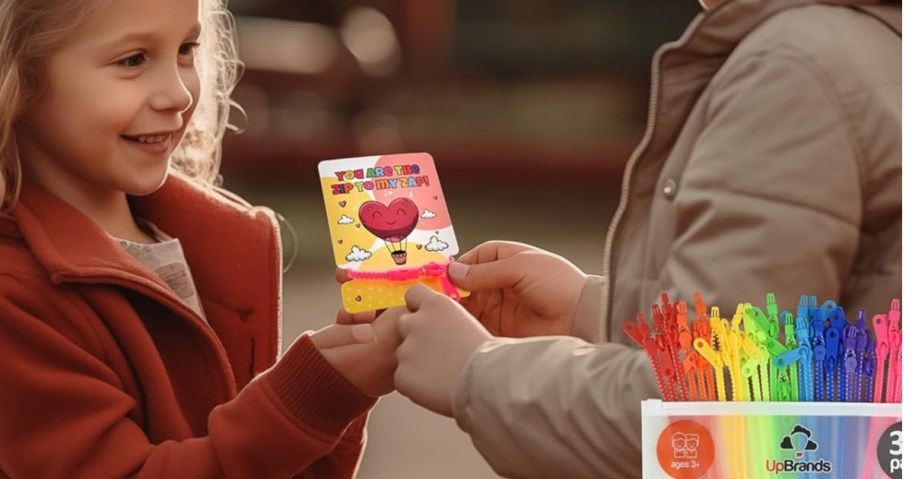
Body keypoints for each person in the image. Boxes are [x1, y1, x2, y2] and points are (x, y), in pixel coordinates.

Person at [344, 0, 901, 477]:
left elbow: (715, 426)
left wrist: (476, 371)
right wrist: (591, 309)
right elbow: (863, 427)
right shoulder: (878, 47)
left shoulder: (795, 70)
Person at [0, 0, 398, 477]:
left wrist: (338, 390)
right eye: (133, 60)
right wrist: (300, 405)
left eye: (187, 50)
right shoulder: (14, 298)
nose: (178, 93)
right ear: (17, 76)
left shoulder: (210, 244)